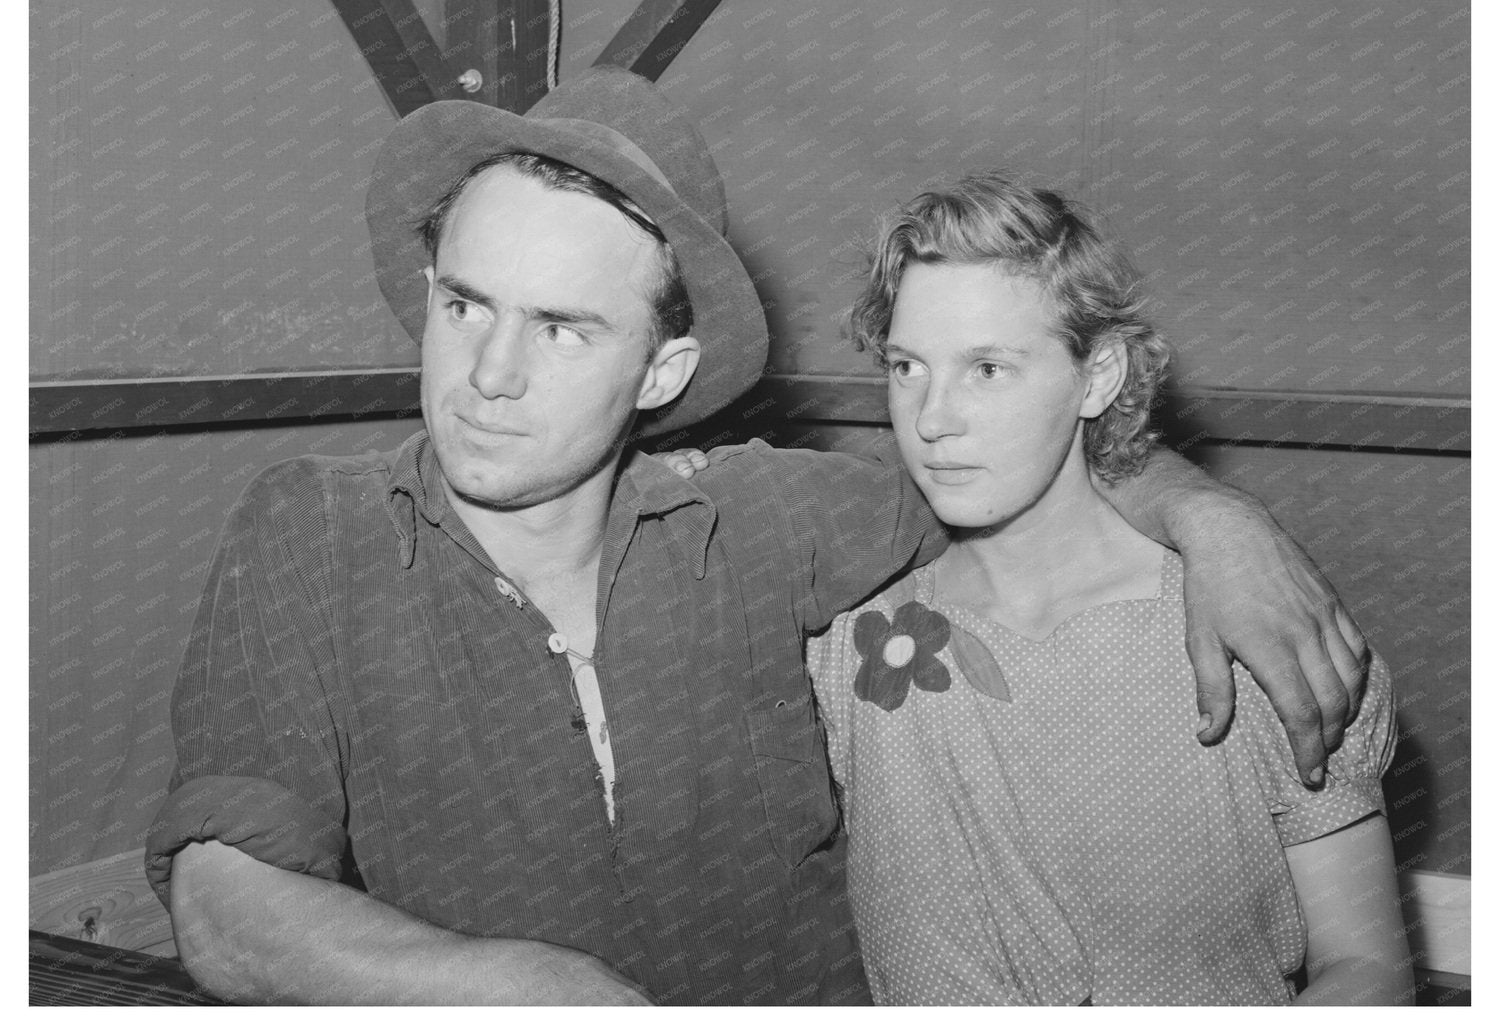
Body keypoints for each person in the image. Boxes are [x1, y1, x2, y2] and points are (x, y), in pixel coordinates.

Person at [144, 68, 1369, 1005]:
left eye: (562, 328)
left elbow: (1029, 475)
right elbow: (223, 900)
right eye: (467, 305)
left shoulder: (772, 518)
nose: (490, 372)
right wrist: (533, 990)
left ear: (661, 370)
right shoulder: (313, 529)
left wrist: (1215, 516)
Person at [796, 173, 1409, 1004]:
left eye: (988, 369)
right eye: (908, 367)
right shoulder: (848, 650)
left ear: (1098, 376)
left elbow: (1367, 971)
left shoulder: (1251, 632)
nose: (933, 417)